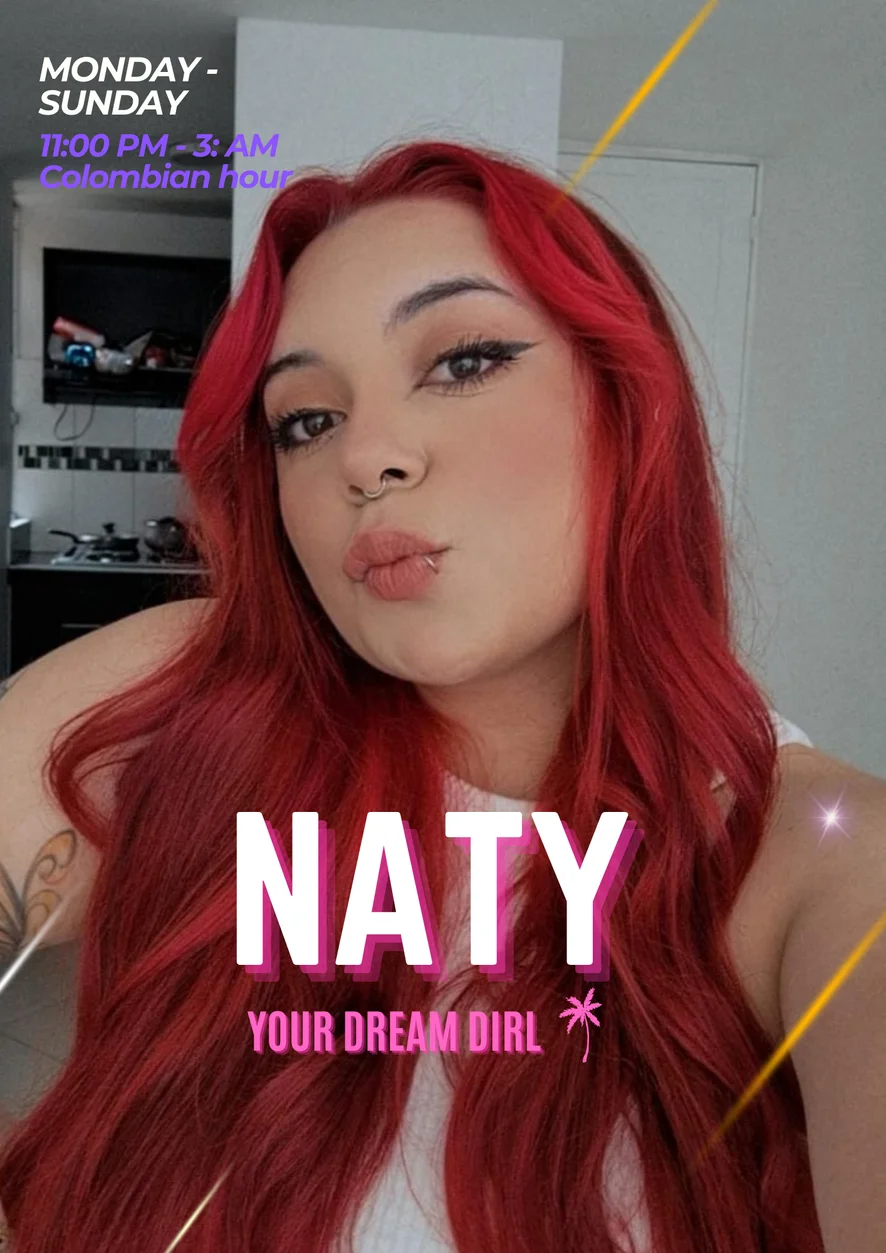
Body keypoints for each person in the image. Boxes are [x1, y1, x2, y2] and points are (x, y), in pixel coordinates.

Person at [0, 138, 884, 1253]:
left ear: (627, 406)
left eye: (464, 360)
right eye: (305, 420)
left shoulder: (811, 857)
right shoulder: (202, 700)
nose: (364, 457)